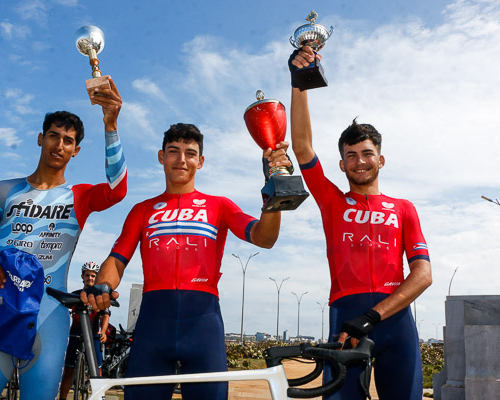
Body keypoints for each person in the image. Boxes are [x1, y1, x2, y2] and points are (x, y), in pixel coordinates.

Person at [82, 123, 292, 400]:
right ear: (161, 157)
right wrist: (104, 286)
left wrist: (274, 191)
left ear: (200, 161)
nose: (182, 159)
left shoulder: (220, 206)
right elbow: (118, 258)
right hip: (153, 328)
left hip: (203, 326)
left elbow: (265, 238)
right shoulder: (142, 210)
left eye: (190, 153)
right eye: (174, 151)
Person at [0, 76, 127, 400]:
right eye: (53, 136)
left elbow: (118, 190)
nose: (59, 145)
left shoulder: (80, 196)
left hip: (51, 316)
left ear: (76, 151)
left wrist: (111, 124)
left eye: (68, 141)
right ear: (40, 138)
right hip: (2, 309)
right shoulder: (6, 190)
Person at [288, 47, 433, 399]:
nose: (360, 161)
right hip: (345, 318)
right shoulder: (332, 202)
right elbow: (303, 147)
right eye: (350, 156)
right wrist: (299, 83)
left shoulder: (404, 208)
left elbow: (423, 274)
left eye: (367, 153)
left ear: (380, 159)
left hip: (394, 321)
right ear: (342, 165)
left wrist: (372, 316)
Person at [58, 261, 110, 400]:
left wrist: (103, 331)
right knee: (68, 370)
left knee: (97, 371)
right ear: (82, 276)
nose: (90, 278)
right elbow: (63, 314)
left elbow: (105, 315)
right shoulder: (75, 295)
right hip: (75, 335)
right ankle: (62, 398)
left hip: (93, 336)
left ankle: (98, 397)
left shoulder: (100, 295)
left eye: (93, 276)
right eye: (87, 275)